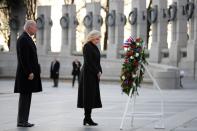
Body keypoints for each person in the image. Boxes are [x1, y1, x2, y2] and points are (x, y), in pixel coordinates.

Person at [14, 20, 42, 127]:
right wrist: (29, 72)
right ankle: (21, 121)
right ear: (29, 27)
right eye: (35, 27)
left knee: (27, 98)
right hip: (25, 75)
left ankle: (24, 120)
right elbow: (23, 58)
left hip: (28, 75)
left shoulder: (27, 38)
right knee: (24, 99)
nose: (36, 30)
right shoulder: (23, 39)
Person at [77, 30, 102, 126]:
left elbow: (97, 61)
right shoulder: (87, 46)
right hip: (88, 74)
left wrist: (100, 71)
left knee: (91, 96)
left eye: (99, 38)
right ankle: (87, 118)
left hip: (93, 74)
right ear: (92, 37)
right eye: (97, 38)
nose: (98, 40)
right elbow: (89, 62)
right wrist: (97, 71)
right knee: (88, 96)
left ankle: (88, 118)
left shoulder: (94, 47)